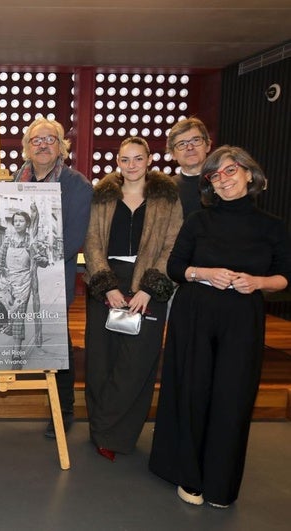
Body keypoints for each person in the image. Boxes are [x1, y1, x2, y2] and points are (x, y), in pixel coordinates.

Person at [149, 146, 291, 508]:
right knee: (193, 392)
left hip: (243, 318)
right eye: (215, 175)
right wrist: (205, 273)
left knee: (234, 398)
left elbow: (286, 277)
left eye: (230, 171)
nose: (223, 180)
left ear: (249, 174)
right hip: (195, 314)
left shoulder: (272, 226)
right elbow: (175, 267)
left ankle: (221, 484)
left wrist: (258, 282)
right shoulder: (198, 221)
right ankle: (189, 478)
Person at [82, 136, 181, 462]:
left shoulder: (167, 197)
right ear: (118, 163)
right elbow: (92, 241)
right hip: (106, 284)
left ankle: (114, 431)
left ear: (149, 159)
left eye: (138, 158)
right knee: (101, 359)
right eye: (125, 159)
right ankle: (101, 430)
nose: (132, 165)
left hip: (148, 285)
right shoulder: (103, 196)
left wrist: (148, 289)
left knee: (136, 363)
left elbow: (172, 245)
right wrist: (107, 284)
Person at [13, 117, 92, 438]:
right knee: (20, 335)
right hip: (20, 277)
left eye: (50, 139)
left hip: (55, 277)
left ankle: (64, 409)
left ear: (62, 146)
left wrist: (36, 257)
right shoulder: (16, 181)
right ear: (27, 148)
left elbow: (73, 238)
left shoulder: (76, 185)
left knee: (57, 344)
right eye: (36, 140)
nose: (43, 145)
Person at [0, 205, 49, 366]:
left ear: (27, 223)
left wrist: (39, 258)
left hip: (24, 283)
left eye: (21, 221)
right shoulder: (7, 241)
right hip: (7, 283)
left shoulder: (32, 242)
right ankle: (10, 328)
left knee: (18, 317)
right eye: (15, 221)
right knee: (9, 315)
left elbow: (44, 262)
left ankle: (16, 351)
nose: (17, 224)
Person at [166, 117, 212, 219]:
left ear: (208, 145)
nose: (190, 147)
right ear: (172, 154)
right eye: (182, 144)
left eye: (196, 140)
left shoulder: (224, 182)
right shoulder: (166, 189)